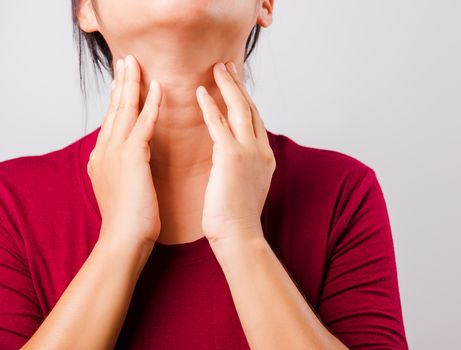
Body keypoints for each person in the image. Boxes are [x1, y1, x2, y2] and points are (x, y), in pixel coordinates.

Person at [0, 0, 408, 348]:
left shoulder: (341, 191)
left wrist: (242, 238)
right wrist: (119, 242)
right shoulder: (11, 200)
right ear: (86, 8)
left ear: (265, 4)